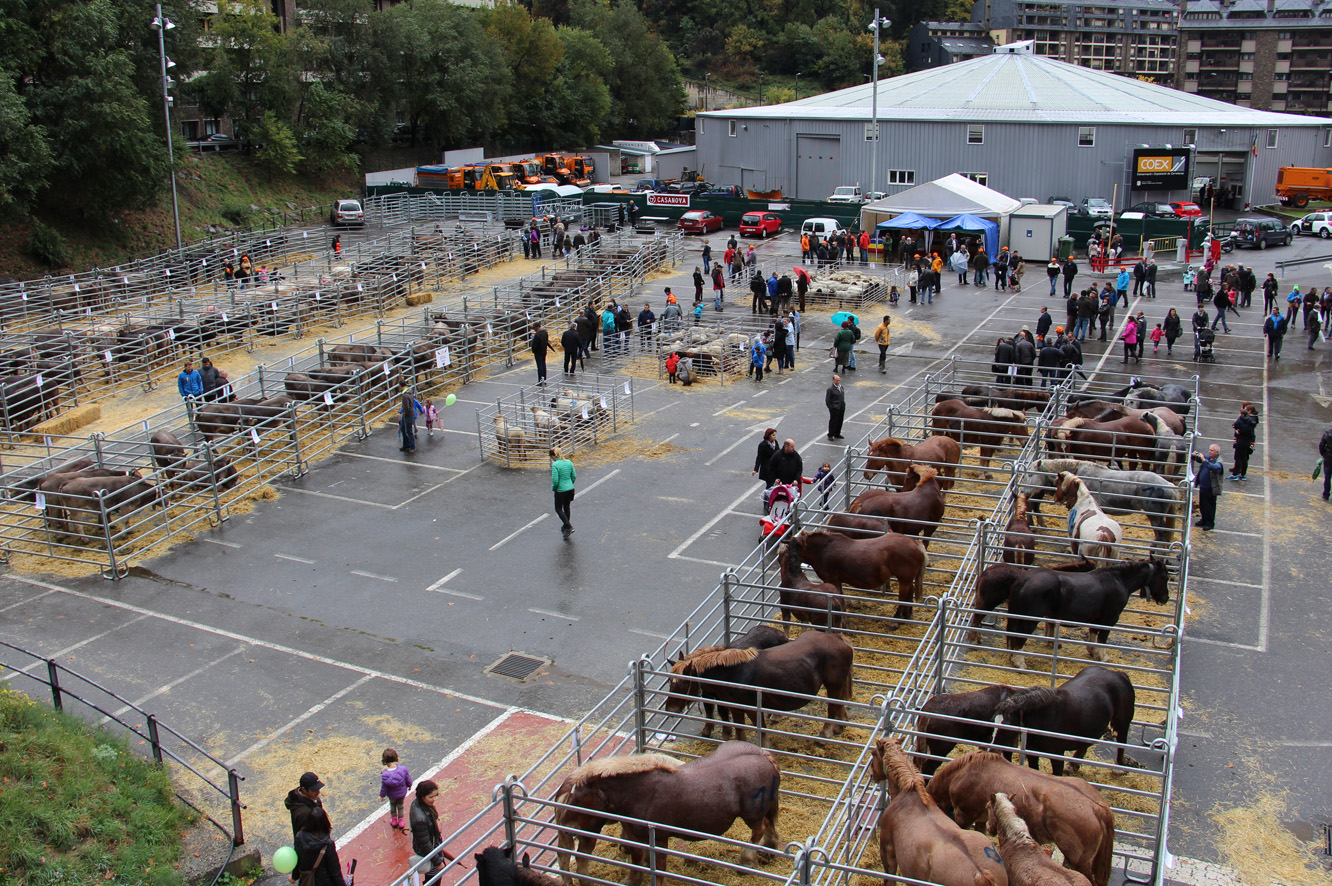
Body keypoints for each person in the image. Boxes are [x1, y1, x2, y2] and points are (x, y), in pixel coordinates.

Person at [409, 780, 455, 883]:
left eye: (435, 796)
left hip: (432, 847)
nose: (434, 799)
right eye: (431, 797)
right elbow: (426, 845)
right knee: (434, 876)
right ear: (422, 797)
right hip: (428, 851)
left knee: (434, 875)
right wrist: (438, 862)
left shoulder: (418, 804)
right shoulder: (420, 819)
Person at [294, 808, 347, 886]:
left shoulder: (299, 837)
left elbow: (297, 859)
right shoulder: (328, 845)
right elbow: (335, 873)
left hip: (307, 881)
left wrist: (294, 877)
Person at [285, 772, 328, 841]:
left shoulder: (313, 799)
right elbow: (308, 839)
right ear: (304, 790)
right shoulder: (303, 814)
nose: (318, 792)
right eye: (314, 790)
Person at [1191, 444, 1224, 531]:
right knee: (1202, 504)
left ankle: (1210, 523)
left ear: (1217, 452)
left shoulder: (1219, 462)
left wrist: (1204, 460)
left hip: (1211, 488)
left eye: (1212, 450)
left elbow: (1215, 468)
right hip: (1203, 486)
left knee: (1210, 506)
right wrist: (1195, 455)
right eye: (1209, 450)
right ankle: (1204, 519)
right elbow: (1200, 458)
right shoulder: (1208, 457)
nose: (1209, 452)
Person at [380, 748, 412, 833]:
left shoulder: (385, 774)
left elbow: (384, 787)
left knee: (393, 806)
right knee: (400, 806)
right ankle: (401, 822)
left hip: (392, 795)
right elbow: (408, 778)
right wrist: (409, 785)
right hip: (401, 793)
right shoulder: (403, 769)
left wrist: (382, 795)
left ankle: (394, 820)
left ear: (385, 761)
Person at [550, 447, 576, 538]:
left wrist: (554, 488)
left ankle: (568, 526)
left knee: (558, 508)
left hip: (561, 490)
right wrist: (570, 484)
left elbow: (555, 480)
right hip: (570, 489)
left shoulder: (555, 465)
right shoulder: (569, 462)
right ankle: (566, 527)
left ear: (553, 456)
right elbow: (574, 476)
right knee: (566, 507)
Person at [1229, 403, 1259, 481]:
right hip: (1248, 441)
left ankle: (1235, 474)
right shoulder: (1252, 421)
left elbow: (1235, 426)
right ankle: (1243, 474)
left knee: (1238, 457)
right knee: (1244, 458)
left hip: (1241, 441)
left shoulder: (1243, 420)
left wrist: (1238, 431)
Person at [398, 385, 421, 452]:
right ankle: (407, 445)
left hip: (407, 414)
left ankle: (411, 446)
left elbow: (405, 406)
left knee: (408, 430)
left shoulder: (405, 396)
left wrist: (404, 413)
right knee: (404, 429)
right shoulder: (410, 392)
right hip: (409, 413)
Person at [825, 374, 846, 441]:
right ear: (833, 380)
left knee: (840, 420)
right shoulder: (830, 389)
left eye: (839, 380)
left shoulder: (841, 387)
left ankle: (837, 433)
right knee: (833, 421)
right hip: (834, 408)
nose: (838, 382)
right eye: (836, 380)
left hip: (841, 406)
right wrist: (831, 408)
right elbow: (827, 400)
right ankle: (830, 434)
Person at [1319, 426, 1332, 500]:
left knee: (1327, 477)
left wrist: (1324, 454)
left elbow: (1321, 446)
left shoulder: (1327, 434)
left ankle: (1326, 494)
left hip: (1328, 459)